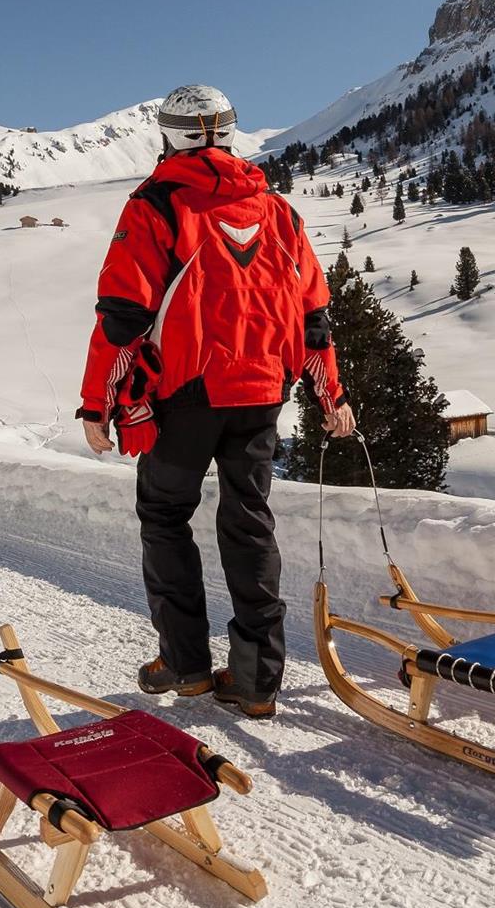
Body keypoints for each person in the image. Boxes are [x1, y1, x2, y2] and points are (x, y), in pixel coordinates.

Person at [78, 85, 354, 720]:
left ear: (170, 136)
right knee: (249, 520)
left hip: (185, 396)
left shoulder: (156, 203)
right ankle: (257, 679)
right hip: (262, 394)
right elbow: (315, 316)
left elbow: (123, 314)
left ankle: (186, 663)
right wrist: (330, 393)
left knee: (166, 515)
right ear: (230, 133)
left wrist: (98, 404)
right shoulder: (277, 209)